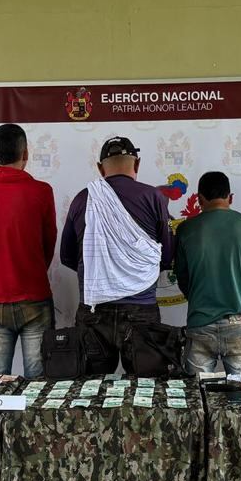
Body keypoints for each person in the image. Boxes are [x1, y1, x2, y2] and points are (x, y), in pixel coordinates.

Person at [60, 136, 174, 374]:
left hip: (94, 311)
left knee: (90, 392)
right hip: (141, 309)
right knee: (146, 390)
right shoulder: (154, 198)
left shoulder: (83, 198)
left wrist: (102, 275)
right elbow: (165, 256)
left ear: (100, 168)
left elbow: (67, 256)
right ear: (137, 164)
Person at [0, 124, 57, 377]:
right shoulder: (41, 191)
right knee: (38, 386)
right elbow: (49, 242)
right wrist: (33, 269)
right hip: (35, 295)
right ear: (25, 153)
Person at [174, 171, 241, 375]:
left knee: (198, 397)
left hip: (199, 322)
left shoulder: (186, 229)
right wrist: (238, 291)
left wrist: (197, 297)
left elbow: (182, 275)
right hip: (238, 322)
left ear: (199, 200)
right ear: (230, 197)